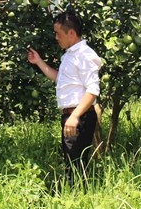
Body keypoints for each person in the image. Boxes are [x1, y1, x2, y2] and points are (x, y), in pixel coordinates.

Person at [27, 11, 102, 187]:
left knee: (75, 165)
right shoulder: (70, 55)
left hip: (79, 116)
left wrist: (75, 117)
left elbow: (93, 90)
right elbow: (60, 78)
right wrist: (38, 62)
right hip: (72, 116)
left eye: (58, 33)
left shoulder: (84, 55)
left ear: (71, 33)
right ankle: (77, 198)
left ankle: (77, 201)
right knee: (72, 163)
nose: (56, 37)